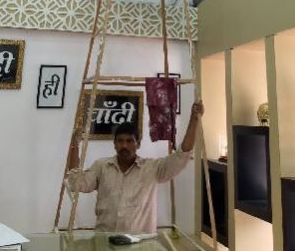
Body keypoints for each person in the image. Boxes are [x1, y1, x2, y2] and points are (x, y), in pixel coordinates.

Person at [66, 100, 204, 234]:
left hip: (140, 243)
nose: (124, 146)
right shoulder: (101, 166)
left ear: (138, 144)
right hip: (105, 240)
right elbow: (76, 183)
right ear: (114, 144)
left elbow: (182, 155)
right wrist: (74, 145)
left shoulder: (152, 168)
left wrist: (194, 120)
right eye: (120, 141)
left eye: (129, 141)